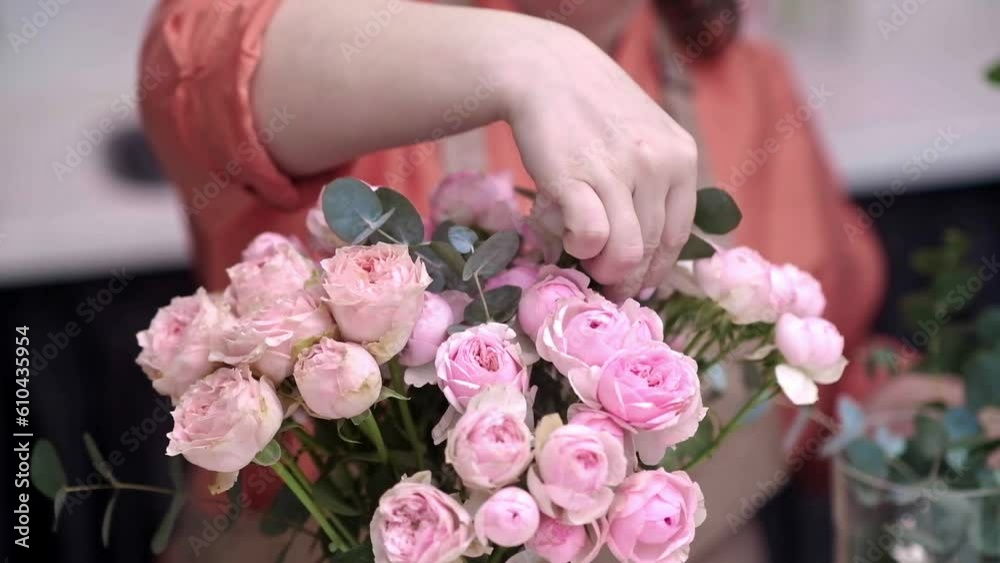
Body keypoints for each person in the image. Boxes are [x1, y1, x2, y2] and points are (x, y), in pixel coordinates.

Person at [140, 1, 886, 561]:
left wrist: (904, 419)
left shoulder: (753, 85)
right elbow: (194, 62)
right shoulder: (357, 56)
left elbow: (826, 376)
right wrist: (530, 62)